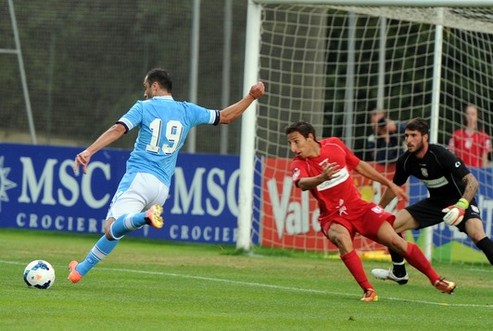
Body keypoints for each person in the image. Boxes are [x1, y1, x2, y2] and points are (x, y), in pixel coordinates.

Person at [68, 68, 265, 283]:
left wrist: (89, 151)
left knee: (110, 225)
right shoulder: (187, 110)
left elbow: (118, 129)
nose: (144, 93)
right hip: (162, 188)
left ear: (154, 86)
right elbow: (226, 117)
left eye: (146, 88)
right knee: (118, 229)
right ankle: (80, 271)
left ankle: (145, 217)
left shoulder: (143, 107)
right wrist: (251, 97)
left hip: (139, 178)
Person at [285, 120, 456, 302]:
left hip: (359, 208)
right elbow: (302, 184)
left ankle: (436, 279)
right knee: (342, 239)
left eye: (296, 141)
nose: (293, 148)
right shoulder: (299, 163)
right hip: (332, 217)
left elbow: (359, 165)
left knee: (396, 241)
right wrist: (321, 177)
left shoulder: (335, 144)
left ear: (310, 137)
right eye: (290, 143)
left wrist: (388, 183)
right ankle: (368, 290)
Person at [372, 118, 493, 285]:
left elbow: (473, 182)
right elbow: (394, 187)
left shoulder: (441, 154)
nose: (409, 140)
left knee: (477, 234)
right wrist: (378, 209)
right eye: (406, 136)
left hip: (460, 201)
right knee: (391, 226)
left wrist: (462, 205)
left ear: (425, 137)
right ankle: (399, 272)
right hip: (435, 203)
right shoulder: (405, 161)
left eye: (414, 135)